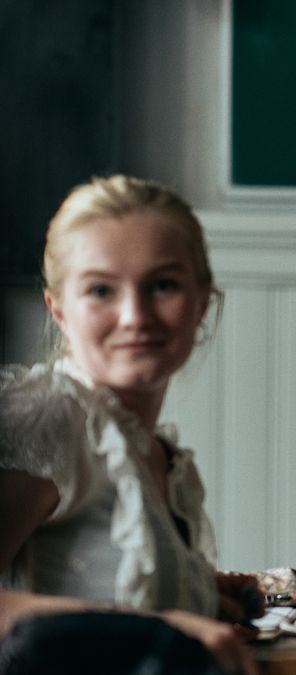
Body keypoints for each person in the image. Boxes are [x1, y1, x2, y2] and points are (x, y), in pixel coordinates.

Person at [0, 175, 261, 674]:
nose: (134, 316)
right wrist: (157, 631)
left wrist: (197, 594)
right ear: (58, 309)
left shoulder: (160, 457)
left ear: (202, 300)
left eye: (162, 285)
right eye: (101, 290)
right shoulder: (44, 418)